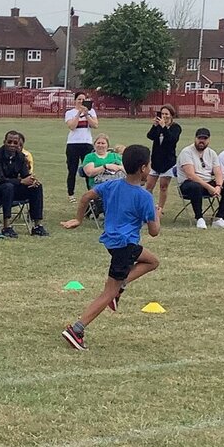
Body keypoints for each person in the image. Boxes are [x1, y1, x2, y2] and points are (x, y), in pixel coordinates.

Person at [60, 144, 161, 352]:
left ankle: (121, 285)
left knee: (152, 261)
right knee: (108, 292)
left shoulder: (112, 185)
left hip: (113, 243)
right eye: (149, 165)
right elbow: (154, 232)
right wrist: (156, 214)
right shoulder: (144, 197)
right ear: (143, 168)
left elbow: (86, 197)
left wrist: (78, 219)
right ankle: (76, 329)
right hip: (125, 244)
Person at [0, 130, 47, 238]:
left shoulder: (21, 156)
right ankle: (6, 226)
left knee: (37, 187)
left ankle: (37, 226)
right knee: (8, 187)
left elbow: (25, 175)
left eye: (15, 143)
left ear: (19, 144)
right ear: (4, 142)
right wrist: (21, 181)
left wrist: (32, 180)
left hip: (13, 189)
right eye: (9, 142)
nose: (12, 145)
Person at [177, 127, 224, 229]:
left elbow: (218, 172)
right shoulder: (186, 152)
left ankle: (218, 218)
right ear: (195, 138)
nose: (202, 141)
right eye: (199, 138)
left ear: (208, 140)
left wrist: (218, 186)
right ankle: (199, 218)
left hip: (208, 182)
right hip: (189, 184)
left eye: (205, 139)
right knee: (196, 186)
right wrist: (210, 188)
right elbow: (191, 175)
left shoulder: (211, 153)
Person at [145, 104, 180, 209]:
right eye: (162, 113)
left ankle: (160, 208)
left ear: (171, 115)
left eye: (166, 114)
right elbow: (150, 136)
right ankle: (149, 207)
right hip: (156, 160)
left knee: (163, 187)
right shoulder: (159, 126)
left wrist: (164, 127)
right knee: (149, 186)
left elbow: (171, 139)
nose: (164, 116)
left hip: (168, 161)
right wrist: (155, 126)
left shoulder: (176, 128)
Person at [63, 91, 98, 198]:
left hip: (86, 143)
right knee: (72, 169)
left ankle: (91, 192)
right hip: (73, 144)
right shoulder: (70, 113)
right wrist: (79, 113)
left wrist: (86, 114)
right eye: (79, 99)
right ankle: (71, 193)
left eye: (83, 99)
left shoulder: (91, 112)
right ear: (75, 100)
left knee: (89, 169)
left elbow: (95, 125)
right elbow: (72, 126)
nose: (81, 101)